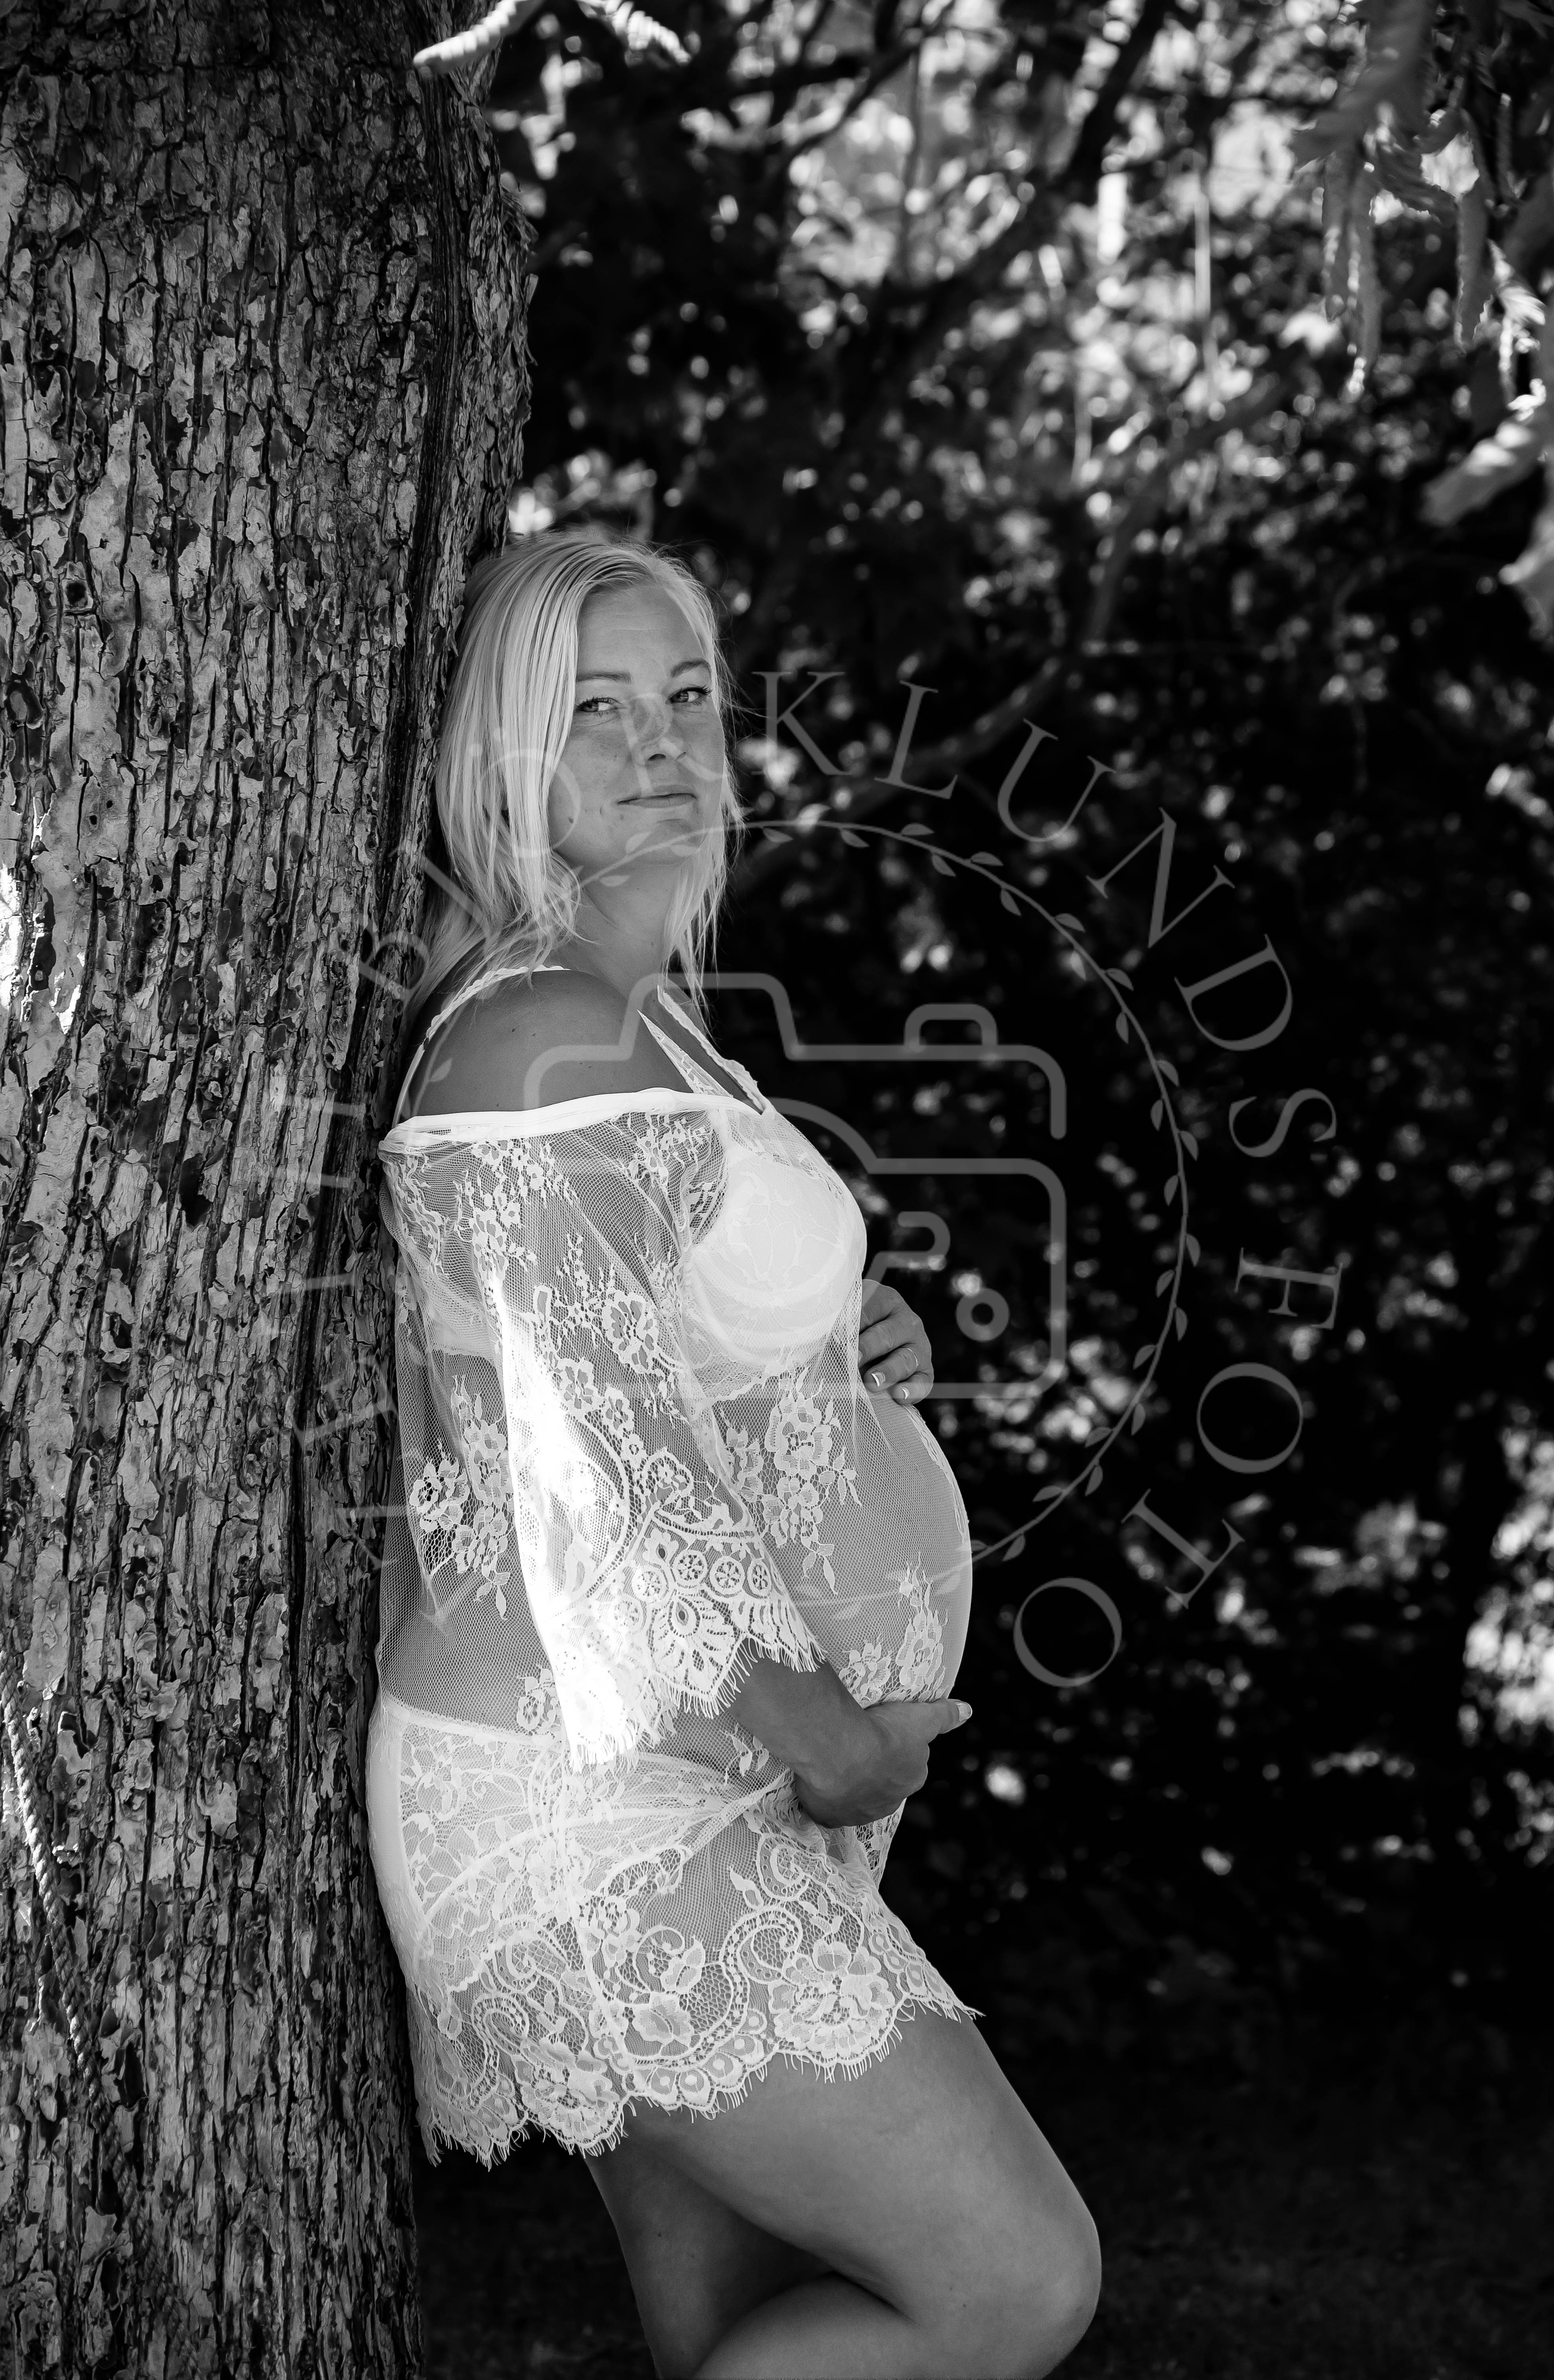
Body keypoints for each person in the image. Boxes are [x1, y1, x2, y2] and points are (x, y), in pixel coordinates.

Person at [366, 527, 1101, 2378]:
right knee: (1011, 2280)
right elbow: (594, 1479)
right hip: (603, 1790)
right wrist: (830, 1743)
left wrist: (831, 1349)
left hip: (684, 1766)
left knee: (751, 2335)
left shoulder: (632, 1021)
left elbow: (631, 1349)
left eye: (686, 697)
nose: (659, 744)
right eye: (594, 709)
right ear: (502, 755)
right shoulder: (538, 1032)